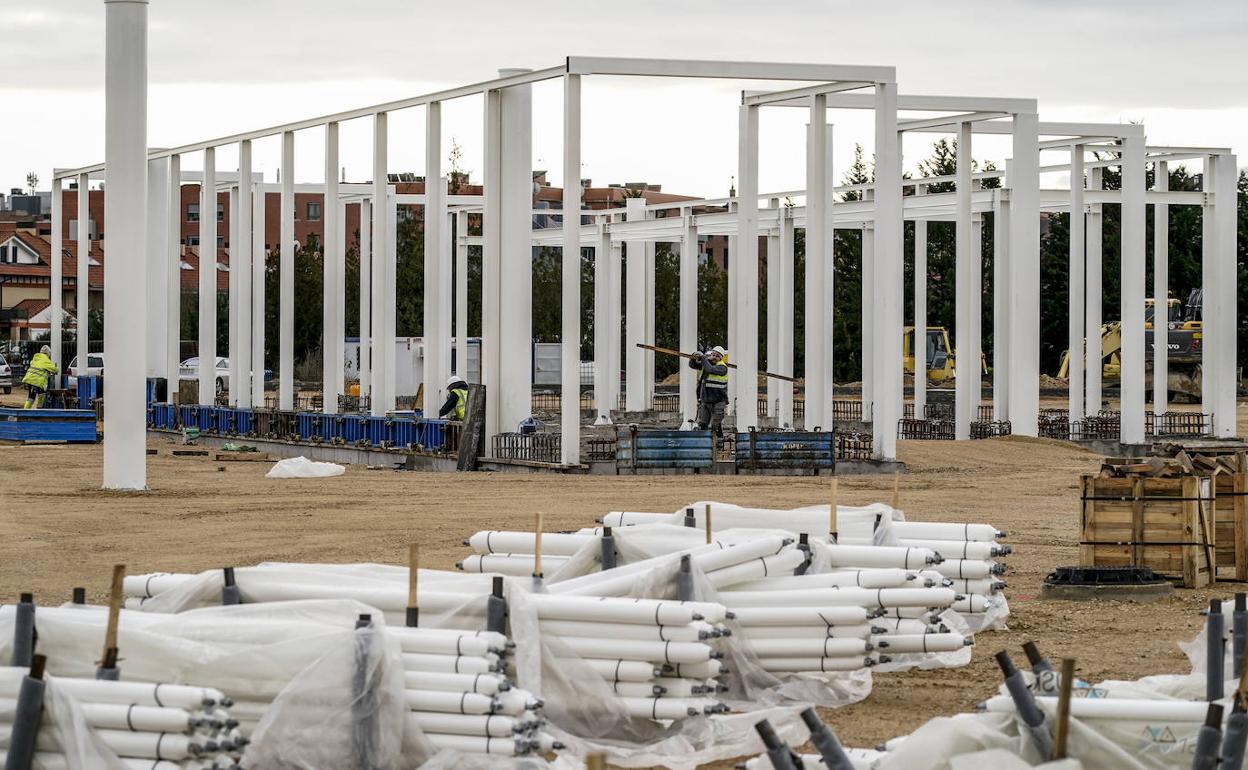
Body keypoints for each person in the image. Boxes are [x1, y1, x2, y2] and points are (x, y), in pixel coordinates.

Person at [688, 345, 729, 438]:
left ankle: (718, 441)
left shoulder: (722, 368)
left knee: (716, 424)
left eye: (717, 356)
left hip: (718, 400)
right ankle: (704, 443)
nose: (714, 357)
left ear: (721, 358)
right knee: (703, 423)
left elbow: (710, 369)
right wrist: (693, 357)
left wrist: (703, 358)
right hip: (705, 399)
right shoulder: (706, 364)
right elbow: (693, 365)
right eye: (713, 355)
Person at [22, 344, 59, 409]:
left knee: (32, 396)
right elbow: (54, 370)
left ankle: (27, 412)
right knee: (38, 397)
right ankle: (32, 411)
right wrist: (57, 369)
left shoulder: (35, 358)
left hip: (30, 380)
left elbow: (38, 367)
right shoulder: (46, 360)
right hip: (37, 381)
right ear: (48, 353)